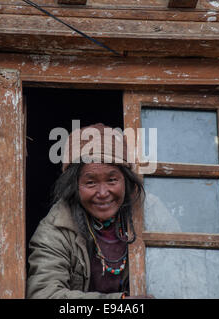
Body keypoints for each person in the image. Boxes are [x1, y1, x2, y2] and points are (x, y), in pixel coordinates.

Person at [27, 123, 153, 299]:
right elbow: (44, 294)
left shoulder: (152, 215)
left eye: (112, 180)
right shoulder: (56, 229)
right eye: (91, 182)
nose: (103, 193)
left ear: (126, 181)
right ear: (74, 186)